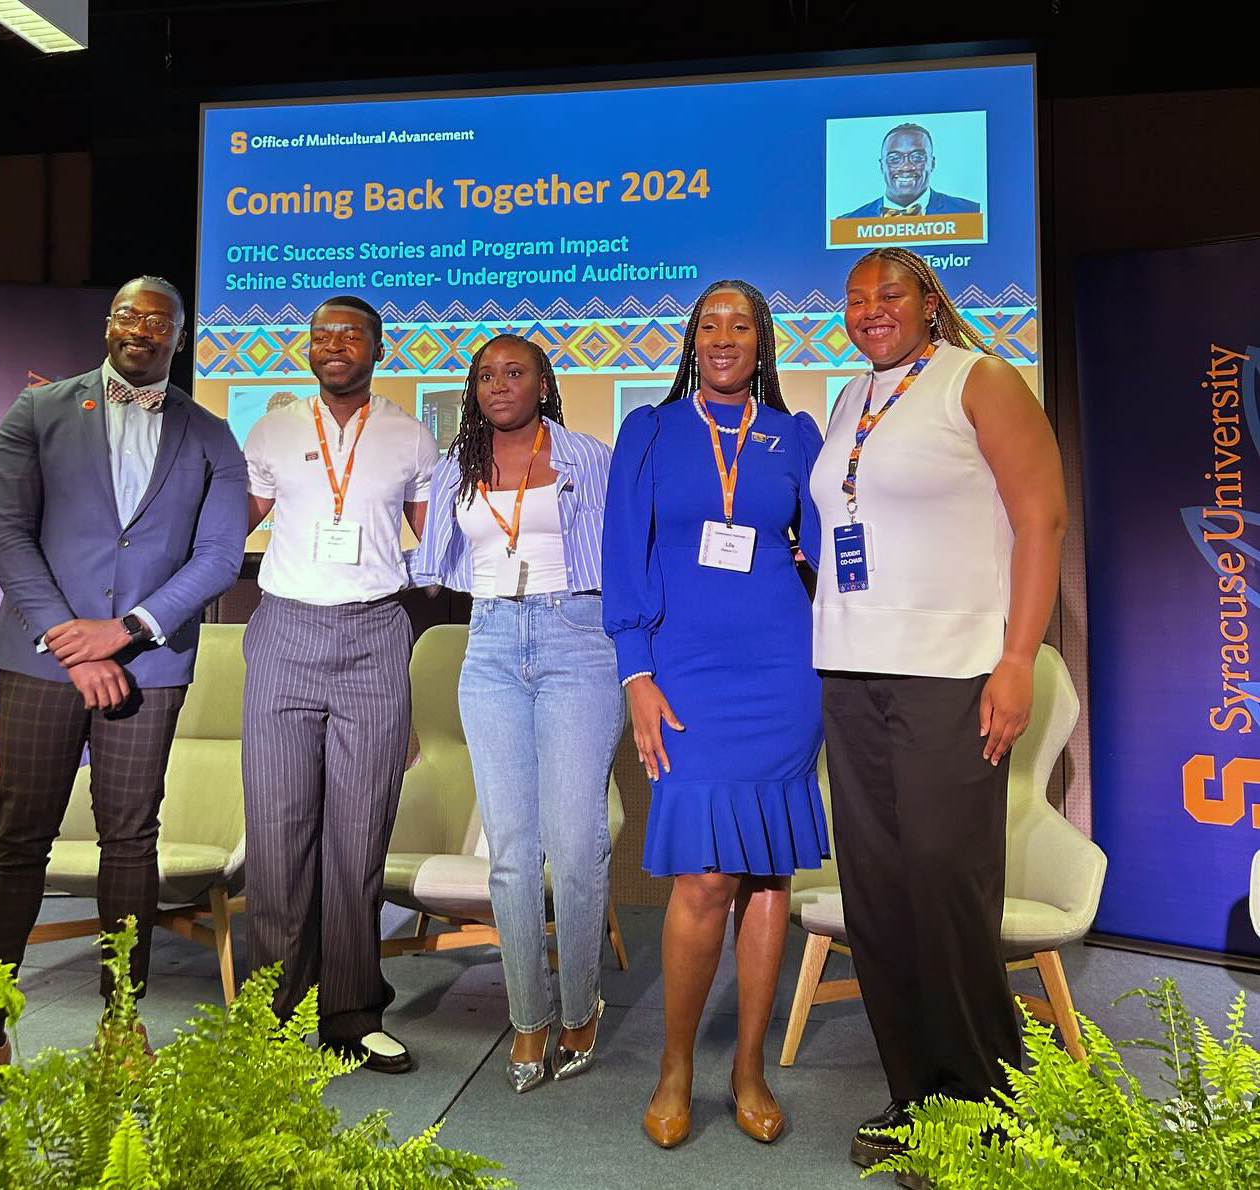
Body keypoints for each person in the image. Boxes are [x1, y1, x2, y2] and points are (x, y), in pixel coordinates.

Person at [0, 276, 247, 1125]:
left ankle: (121, 1023)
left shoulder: (212, 434)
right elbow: (3, 531)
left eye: (160, 320)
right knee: (20, 835)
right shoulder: (35, 413)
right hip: (43, 660)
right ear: (108, 325)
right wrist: (72, 641)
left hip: (147, 665)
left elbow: (220, 555)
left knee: (129, 839)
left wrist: (128, 632)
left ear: (179, 337)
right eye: (128, 315)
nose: (142, 329)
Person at [809, 246, 1066, 1187]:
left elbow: (1040, 520)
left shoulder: (979, 379)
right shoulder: (850, 401)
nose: (871, 309)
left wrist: (1014, 660)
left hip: (954, 675)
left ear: (929, 299)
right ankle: (917, 1093)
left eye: (891, 293)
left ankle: (989, 1110)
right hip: (849, 672)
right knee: (879, 900)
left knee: (943, 888)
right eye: (855, 298)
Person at [603, 280, 829, 1148]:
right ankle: (676, 1066)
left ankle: (749, 1071)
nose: (725, 337)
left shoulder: (795, 436)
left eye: (741, 325)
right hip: (687, 675)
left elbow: (826, 542)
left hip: (783, 673)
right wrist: (636, 674)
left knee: (767, 876)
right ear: (691, 341)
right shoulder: (650, 432)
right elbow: (623, 558)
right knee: (703, 875)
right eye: (710, 325)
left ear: (762, 342)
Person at [413, 333, 623, 1094]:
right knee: (509, 854)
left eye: (515, 372)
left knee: (575, 846)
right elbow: (431, 564)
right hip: (492, 644)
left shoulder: (590, 457)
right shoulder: (452, 471)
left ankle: (581, 1007)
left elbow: (628, 549)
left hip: (578, 641)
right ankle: (529, 1019)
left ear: (543, 383)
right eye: (485, 375)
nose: (499, 384)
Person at [242, 294, 438, 1073]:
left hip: (373, 634)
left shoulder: (411, 435)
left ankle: (352, 1013)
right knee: (277, 831)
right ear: (307, 351)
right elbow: (233, 522)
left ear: (378, 349)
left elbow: (442, 536)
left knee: (359, 835)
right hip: (285, 629)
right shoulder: (274, 428)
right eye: (322, 336)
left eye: (350, 335)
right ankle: (274, 1014)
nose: (334, 346)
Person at [841, 123, 980, 218]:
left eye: (917, 157)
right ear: (881, 165)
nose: (906, 167)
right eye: (895, 158)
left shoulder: (971, 212)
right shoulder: (846, 223)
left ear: (932, 164)